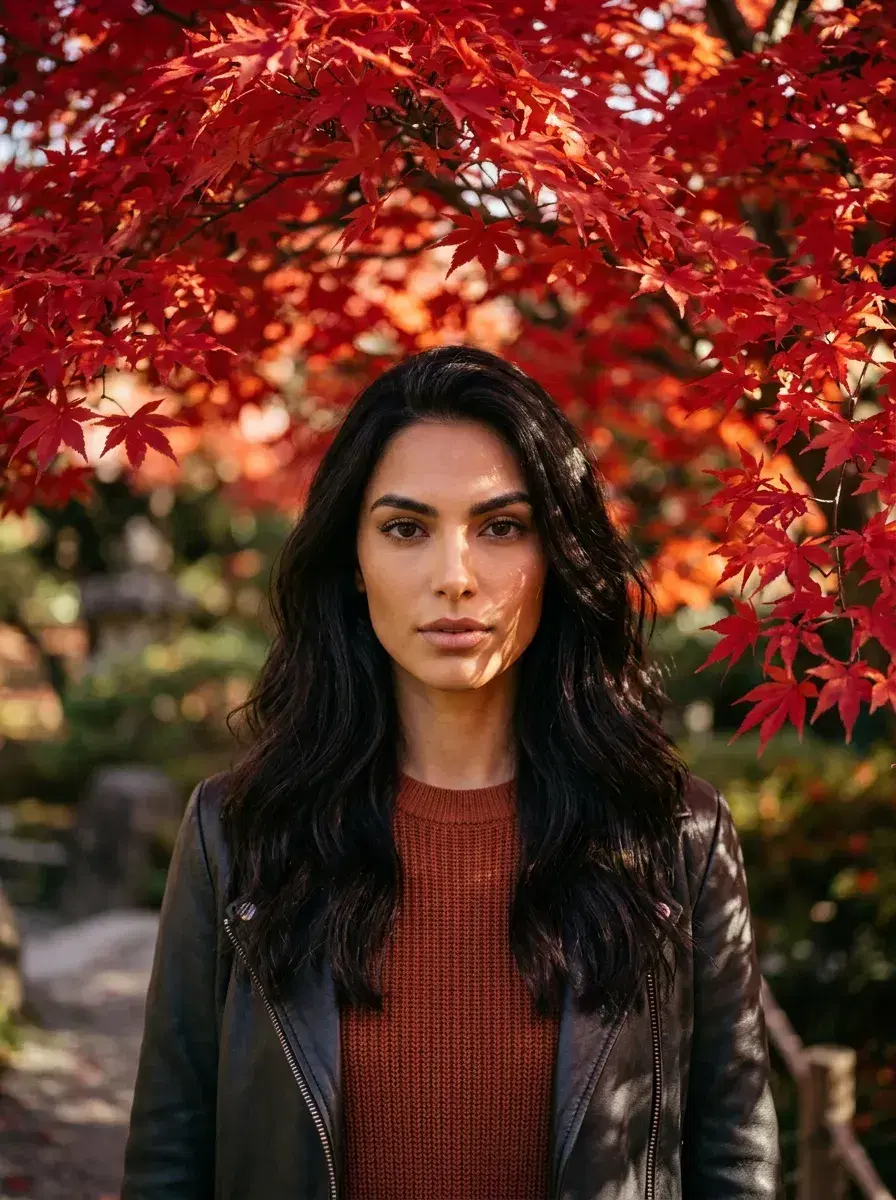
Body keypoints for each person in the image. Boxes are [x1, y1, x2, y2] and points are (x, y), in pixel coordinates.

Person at [121, 344, 780, 1200]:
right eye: (406, 529)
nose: (455, 578)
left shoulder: (673, 836)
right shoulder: (238, 832)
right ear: (353, 563)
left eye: (501, 527)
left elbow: (733, 1157)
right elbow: (170, 1156)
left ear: (558, 556)